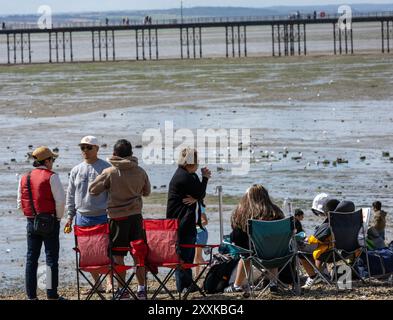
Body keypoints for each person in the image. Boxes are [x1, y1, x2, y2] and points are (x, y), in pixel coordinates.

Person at [89, 139, 151, 300]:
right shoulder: (140, 171)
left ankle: (122, 289)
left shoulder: (110, 172)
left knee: (118, 256)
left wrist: (109, 187)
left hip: (117, 218)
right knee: (138, 255)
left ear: (114, 154)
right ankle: (142, 288)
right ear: (131, 154)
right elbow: (147, 192)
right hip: (136, 217)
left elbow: (92, 190)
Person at [64, 136, 112, 294]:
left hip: (102, 215)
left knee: (106, 250)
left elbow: (112, 193)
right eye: (82, 147)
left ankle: (110, 282)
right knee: (87, 252)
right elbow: (70, 195)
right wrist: (69, 217)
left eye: (88, 147)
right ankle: (97, 283)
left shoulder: (106, 168)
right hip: (81, 216)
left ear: (97, 148)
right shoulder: (76, 170)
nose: (85, 150)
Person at [17, 146, 66, 300]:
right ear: (47, 160)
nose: (53, 162)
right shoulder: (51, 176)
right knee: (51, 258)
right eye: (53, 159)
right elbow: (60, 202)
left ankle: (31, 296)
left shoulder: (24, 177)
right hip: (50, 221)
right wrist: (58, 219)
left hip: (32, 222)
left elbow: (20, 203)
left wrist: (31, 216)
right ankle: (51, 295)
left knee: (31, 258)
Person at [166, 147, 211, 294]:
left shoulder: (190, 175)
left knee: (188, 255)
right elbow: (200, 192)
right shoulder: (183, 176)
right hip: (180, 223)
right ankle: (183, 287)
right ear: (191, 163)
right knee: (183, 256)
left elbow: (199, 194)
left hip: (188, 221)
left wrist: (197, 197)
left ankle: (188, 284)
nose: (198, 166)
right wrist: (205, 178)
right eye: (196, 162)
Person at [224, 184, 285, 293]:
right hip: (277, 252)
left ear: (249, 196)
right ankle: (273, 284)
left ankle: (237, 285)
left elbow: (236, 234)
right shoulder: (276, 211)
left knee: (245, 254)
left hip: (253, 253)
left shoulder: (242, 212)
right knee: (271, 248)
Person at [301, 198, 355, 289]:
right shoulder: (352, 221)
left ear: (327, 212)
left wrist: (306, 239)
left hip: (332, 254)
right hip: (350, 251)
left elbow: (315, 239)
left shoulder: (329, 224)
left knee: (301, 252)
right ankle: (321, 274)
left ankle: (313, 276)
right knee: (322, 245)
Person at [194, 201, 208, 277]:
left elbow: (205, 221)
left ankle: (208, 269)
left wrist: (195, 225)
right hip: (196, 233)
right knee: (196, 256)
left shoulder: (199, 206)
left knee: (198, 256)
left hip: (201, 233)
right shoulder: (191, 207)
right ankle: (197, 275)